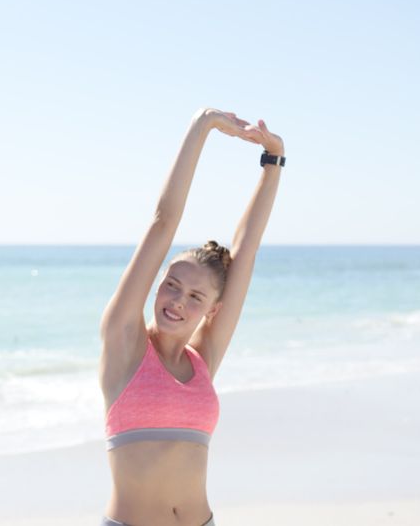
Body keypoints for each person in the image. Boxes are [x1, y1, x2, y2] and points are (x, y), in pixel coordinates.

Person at [100, 108, 284, 526]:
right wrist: (202, 126)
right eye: (171, 285)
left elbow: (246, 251)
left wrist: (273, 163)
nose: (177, 301)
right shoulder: (124, 342)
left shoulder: (204, 359)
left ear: (212, 310)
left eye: (195, 296)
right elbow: (163, 222)